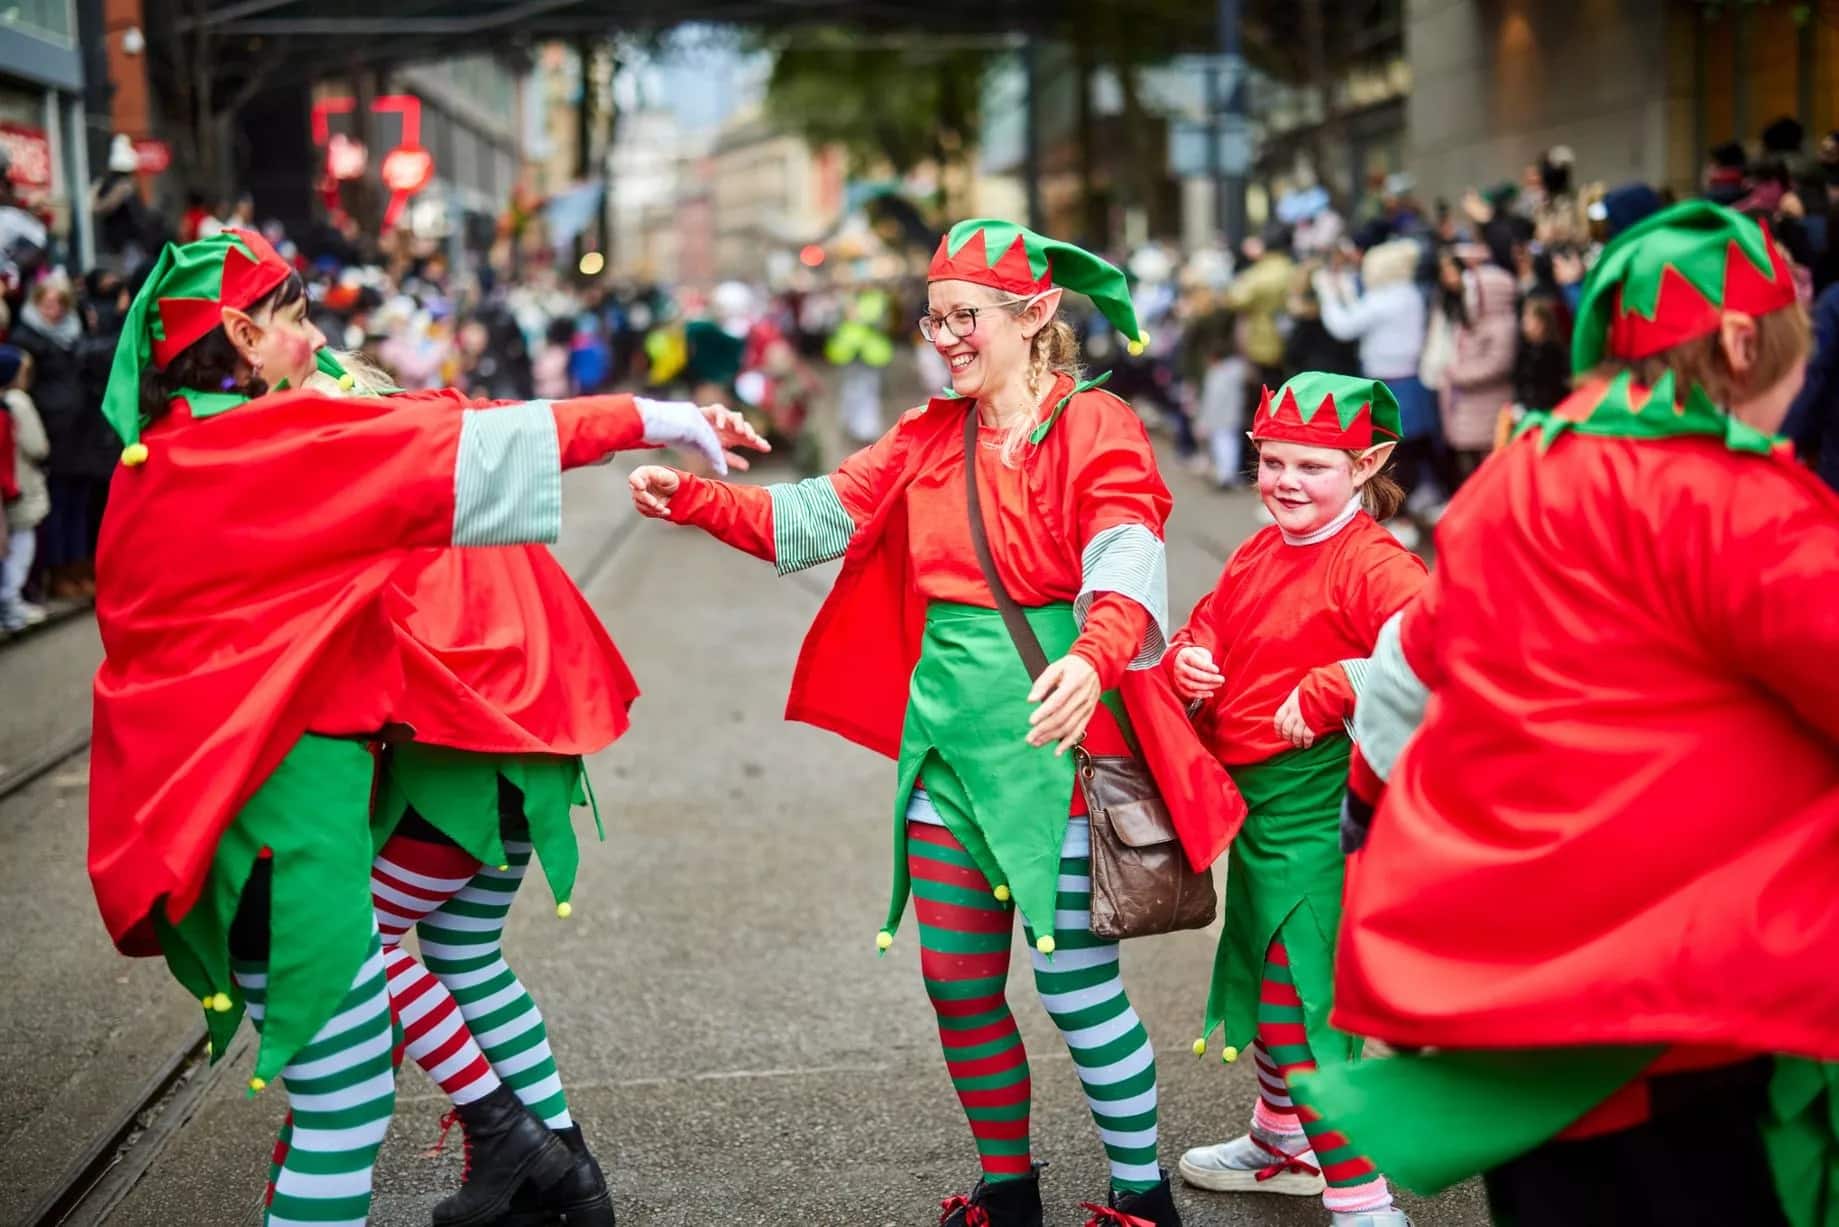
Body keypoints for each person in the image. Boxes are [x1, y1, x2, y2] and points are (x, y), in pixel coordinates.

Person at [88, 228, 760, 1227]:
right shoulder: (270, 448)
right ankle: (534, 1158)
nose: (314, 341)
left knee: (346, 1089)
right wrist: (660, 417)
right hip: (285, 827)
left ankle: (535, 1160)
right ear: (238, 331)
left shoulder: (169, 459)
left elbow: (461, 435)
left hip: (247, 824)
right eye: (296, 319)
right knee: (346, 1099)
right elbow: (476, 441)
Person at [630, 218, 1243, 1227]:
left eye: (967, 318)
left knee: (1079, 999)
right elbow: (812, 521)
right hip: (948, 758)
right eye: (936, 318)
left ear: (1036, 315)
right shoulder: (925, 437)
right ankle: (1010, 1198)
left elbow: (1127, 546)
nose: (945, 336)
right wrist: (694, 499)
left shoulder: (1096, 427)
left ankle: (1142, 1199)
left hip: (1061, 755)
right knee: (957, 982)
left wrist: (1095, 659)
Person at [1300, 201, 1838, 1227]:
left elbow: (1407, 676)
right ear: (1737, 342)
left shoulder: (1513, 477)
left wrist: (1371, 826)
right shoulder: (1735, 502)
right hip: (1676, 1005)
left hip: (1506, 992)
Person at [1171, 373, 1426, 1227]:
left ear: (1367, 464)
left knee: (1297, 999)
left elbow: (1445, 650)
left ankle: (1361, 1199)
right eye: (1270, 460)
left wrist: (1343, 679)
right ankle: (1280, 1139)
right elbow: (1215, 620)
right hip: (1259, 810)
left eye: (1310, 465)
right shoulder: (1259, 547)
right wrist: (1191, 659)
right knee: (1265, 971)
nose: (1282, 480)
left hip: (1321, 814)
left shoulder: (1373, 564)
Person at [14, 274, 107, 597]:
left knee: (79, 505)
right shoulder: (27, 340)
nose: (53, 310)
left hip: (81, 432)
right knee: (58, 506)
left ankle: (79, 566)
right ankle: (59, 572)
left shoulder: (75, 336)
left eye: (59, 304)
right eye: (47, 303)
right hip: (52, 433)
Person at [0, 347, 47, 629]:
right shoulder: (17, 403)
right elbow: (37, 445)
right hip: (18, 483)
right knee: (20, 542)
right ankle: (10, 602)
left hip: (10, 483)